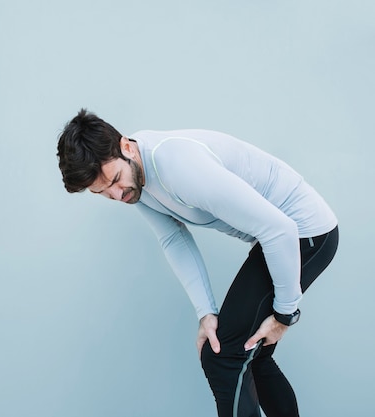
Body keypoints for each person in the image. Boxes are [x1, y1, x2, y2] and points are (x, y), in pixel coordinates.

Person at [56, 109, 339, 417]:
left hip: (304, 234)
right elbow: (173, 239)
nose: (116, 194)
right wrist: (206, 312)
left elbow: (280, 229)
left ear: (126, 147)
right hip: (280, 236)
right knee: (248, 355)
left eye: (114, 180)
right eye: (103, 193)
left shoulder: (178, 166)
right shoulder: (136, 181)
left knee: (224, 357)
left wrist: (285, 314)